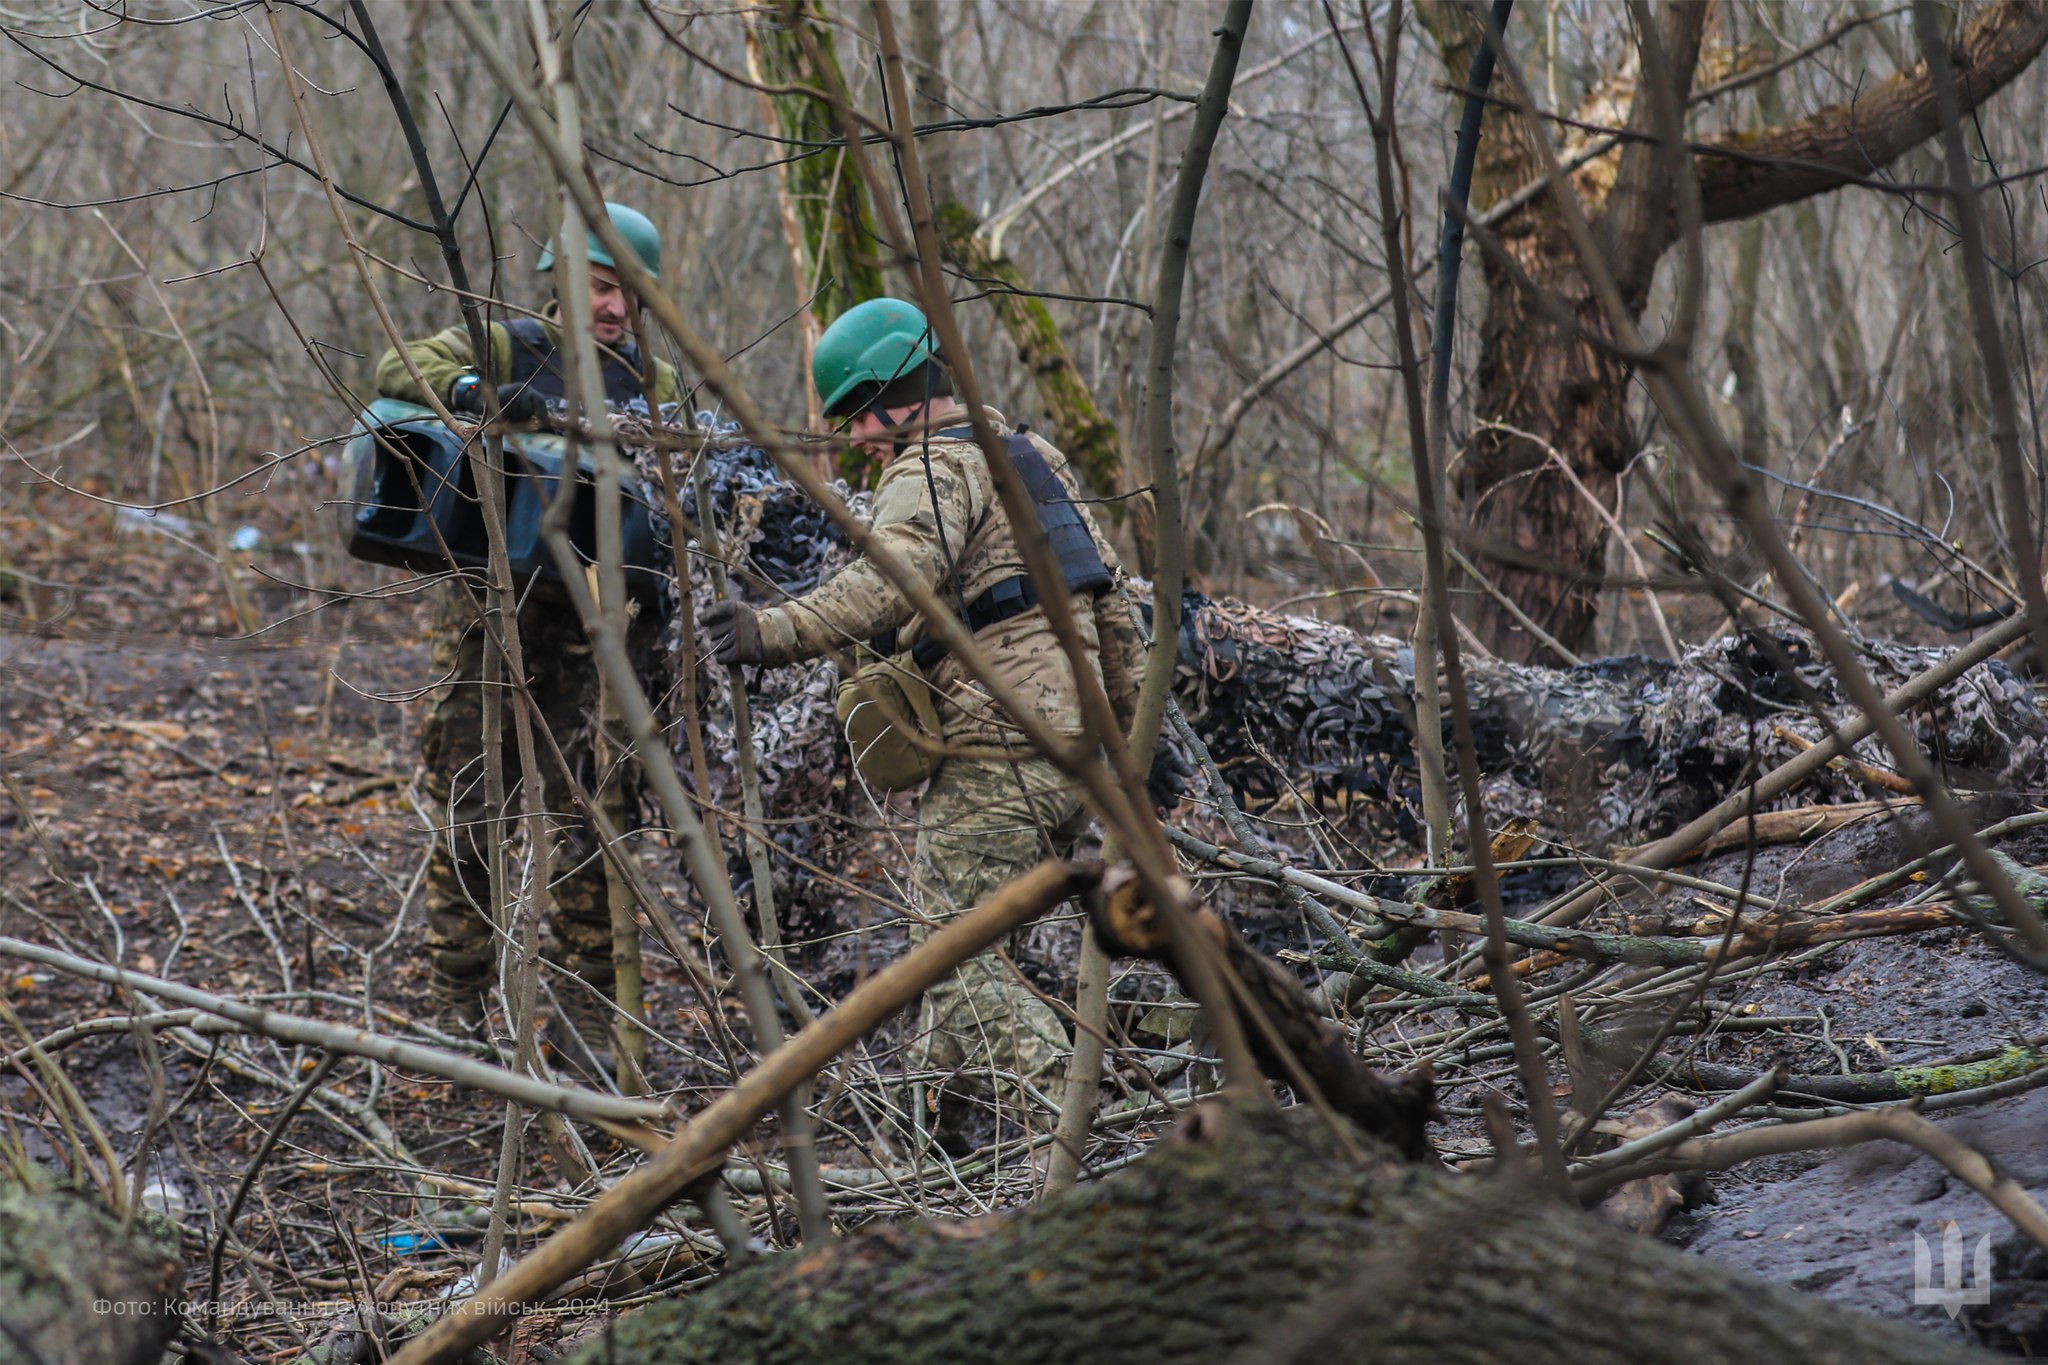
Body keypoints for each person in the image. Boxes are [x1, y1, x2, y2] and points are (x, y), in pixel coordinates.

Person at [702, 297, 1175, 1143]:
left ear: (898, 392)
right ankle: (941, 1134)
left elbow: (891, 583)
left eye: (855, 415)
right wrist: (1135, 744)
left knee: (957, 951)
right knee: (951, 942)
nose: (853, 441)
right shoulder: (1033, 456)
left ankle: (1081, 1146)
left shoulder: (930, 469)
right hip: (1073, 748)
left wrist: (768, 631)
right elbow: (1112, 605)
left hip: (998, 739)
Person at [373, 201, 681, 1057]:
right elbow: (398, 365)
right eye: (599, 286)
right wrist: (477, 393)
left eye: (629, 293)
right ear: (562, 284)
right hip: (492, 612)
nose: (614, 307)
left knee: (593, 821)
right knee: (472, 808)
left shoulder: (657, 387)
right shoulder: (509, 346)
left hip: (606, 630)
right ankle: (459, 1007)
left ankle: (587, 1020)